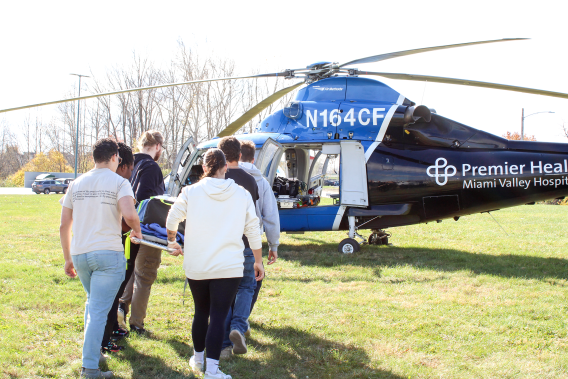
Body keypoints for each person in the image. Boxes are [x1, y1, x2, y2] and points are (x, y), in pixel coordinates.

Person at [166, 148, 264, 379]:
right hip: (228, 266)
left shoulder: (190, 191)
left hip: (197, 263)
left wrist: (172, 241)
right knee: (219, 316)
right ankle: (212, 370)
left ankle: (198, 359)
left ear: (204, 167)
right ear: (224, 167)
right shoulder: (241, 194)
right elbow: (252, 229)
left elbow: (172, 218)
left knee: (201, 312)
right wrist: (257, 260)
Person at [59, 138, 142, 379]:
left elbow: (64, 225)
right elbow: (130, 214)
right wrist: (136, 231)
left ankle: (94, 355)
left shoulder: (76, 183)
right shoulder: (119, 182)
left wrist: (67, 258)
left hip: (81, 253)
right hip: (108, 254)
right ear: (116, 157)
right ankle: (90, 369)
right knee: (97, 310)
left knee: (92, 305)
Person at [118, 130, 165, 335]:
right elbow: (144, 198)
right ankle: (137, 323)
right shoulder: (152, 167)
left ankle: (120, 309)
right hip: (144, 229)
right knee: (145, 275)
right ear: (157, 147)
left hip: (124, 227)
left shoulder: (128, 163)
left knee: (129, 272)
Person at [217, 137, 260, 357]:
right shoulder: (250, 180)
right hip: (245, 244)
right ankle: (238, 327)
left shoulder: (216, 179)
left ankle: (224, 345)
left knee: (224, 293)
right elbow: (252, 217)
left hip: (222, 245)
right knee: (246, 287)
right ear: (240, 155)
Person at [238, 140, 280, 324]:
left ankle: (232, 321)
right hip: (251, 242)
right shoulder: (261, 182)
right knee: (253, 281)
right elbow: (270, 215)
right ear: (253, 159)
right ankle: (241, 321)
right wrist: (273, 244)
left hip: (226, 240)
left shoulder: (225, 176)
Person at [100, 142, 135, 354]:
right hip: (112, 249)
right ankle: (104, 340)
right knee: (110, 297)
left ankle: (111, 329)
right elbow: (126, 220)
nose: (131, 174)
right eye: (131, 169)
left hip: (91, 248)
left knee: (107, 298)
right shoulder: (119, 184)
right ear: (120, 163)